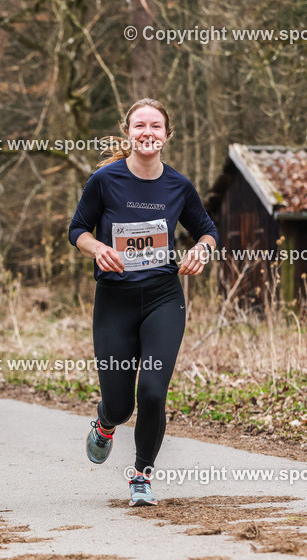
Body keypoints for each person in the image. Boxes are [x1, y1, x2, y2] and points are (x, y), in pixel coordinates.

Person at [68, 98, 218, 507]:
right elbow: (77, 228)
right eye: (140, 126)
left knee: (153, 392)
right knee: (120, 404)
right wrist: (97, 247)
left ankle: (141, 476)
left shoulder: (178, 186)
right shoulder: (105, 180)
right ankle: (105, 422)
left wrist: (201, 252)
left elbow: (207, 230)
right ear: (128, 133)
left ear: (166, 135)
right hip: (114, 300)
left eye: (156, 126)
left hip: (162, 298)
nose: (147, 133)